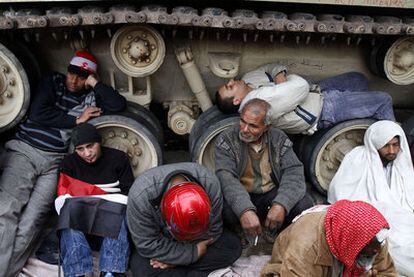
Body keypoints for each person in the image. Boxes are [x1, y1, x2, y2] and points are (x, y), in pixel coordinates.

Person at [0, 50, 126, 276]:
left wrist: (95, 83)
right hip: (26, 150)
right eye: (72, 73)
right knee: (6, 211)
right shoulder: (54, 81)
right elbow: (39, 113)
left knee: (34, 219)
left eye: (81, 76)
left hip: (55, 161)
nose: (74, 80)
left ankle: (7, 271)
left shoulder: (90, 99)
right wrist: (77, 120)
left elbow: (117, 105)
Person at [215, 98, 313, 244]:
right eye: (243, 121)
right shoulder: (227, 139)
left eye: (253, 126)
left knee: (304, 204)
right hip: (243, 193)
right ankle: (239, 232)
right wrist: (244, 210)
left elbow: (293, 171)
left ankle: (277, 232)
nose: (245, 129)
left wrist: (281, 204)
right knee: (221, 207)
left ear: (266, 127)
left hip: (269, 195)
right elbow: (226, 178)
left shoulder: (277, 138)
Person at [328, 120, 414, 276]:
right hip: (369, 217)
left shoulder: (400, 163)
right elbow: (342, 195)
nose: (391, 150)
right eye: (386, 146)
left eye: (395, 145)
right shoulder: (357, 158)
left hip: (401, 215)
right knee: (395, 244)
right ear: (374, 145)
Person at [127, 162, 242, 277]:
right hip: (167, 242)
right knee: (141, 270)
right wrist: (191, 254)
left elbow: (214, 231)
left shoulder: (209, 183)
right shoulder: (140, 196)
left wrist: (174, 260)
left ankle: (178, 270)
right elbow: (147, 243)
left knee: (233, 246)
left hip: (200, 240)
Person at [216, 63, 395, 135]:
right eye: (229, 87)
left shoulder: (248, 80)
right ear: (237, 101)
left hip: (315, 92)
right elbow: (300, 86)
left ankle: (363, 117)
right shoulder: (258, 104)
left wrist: (281, 82)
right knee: (384, 100)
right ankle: (392, 147)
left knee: (358, 79)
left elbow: (272, 66)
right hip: (322, 109)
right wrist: (284, 85)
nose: (231, 81)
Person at [55, 123, 134, 277]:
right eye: (80, 149)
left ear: (100, 142)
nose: (87, 153)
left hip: (112, 221)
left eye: (90, 146)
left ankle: (111, 271)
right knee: (68, 213)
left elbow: (128, 193)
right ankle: (78, 272)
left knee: (121, 214)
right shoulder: (69, 164)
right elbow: (62, 198)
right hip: (82, 225)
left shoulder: (118, 159)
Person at [261, 199, 397, 276]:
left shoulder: (375, 241)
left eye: (380, 244)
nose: (377, 250)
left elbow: (387, 272)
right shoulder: (306, 248)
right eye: (371, 246)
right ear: (351, 242)